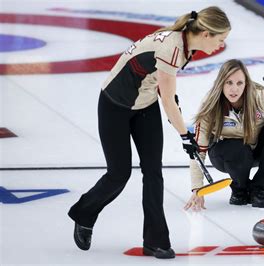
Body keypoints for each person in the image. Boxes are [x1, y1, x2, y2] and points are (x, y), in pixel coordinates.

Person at [67, 6, 231, 259]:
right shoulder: (173, 47)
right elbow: (167, 100)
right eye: (221, 40)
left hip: (145, 105)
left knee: (153, 172)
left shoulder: (187, 46)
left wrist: (181, 127)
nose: (222, 45)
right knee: (118, 174)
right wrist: (185, 136)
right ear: (206, 34)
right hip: (115, 105)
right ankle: (84, 212)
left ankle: (156, 241)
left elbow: (165, 91)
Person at [183, 59, 264, 211]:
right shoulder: (210, 105)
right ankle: (239, 189)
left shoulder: (260, 96)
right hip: (226, 155)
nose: (234, 89)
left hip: (255, 149)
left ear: (246, 83)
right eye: (229, 82)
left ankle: (258, 189)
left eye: (239, 83)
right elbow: (198, 150)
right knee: (237, 147)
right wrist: (197, 189)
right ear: (220, 82)